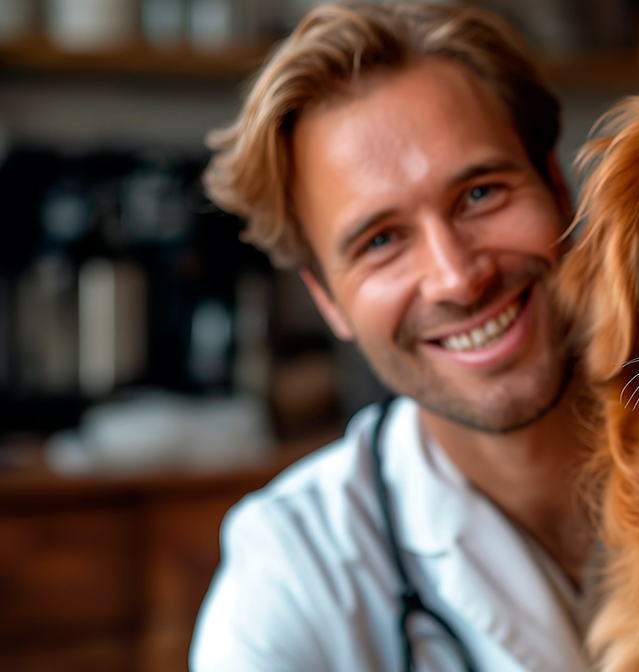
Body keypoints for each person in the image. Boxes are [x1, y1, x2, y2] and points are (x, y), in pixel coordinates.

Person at [189, 4, 594, 671]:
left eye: (481, 194)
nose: (457, 277)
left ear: (558, 189)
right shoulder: (292, 579)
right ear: (327, 299)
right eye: (381, 241)